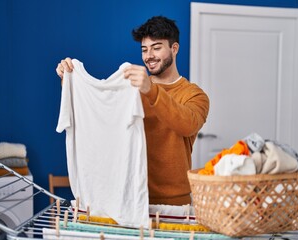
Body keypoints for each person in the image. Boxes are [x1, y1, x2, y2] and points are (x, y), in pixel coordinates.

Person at [56, 16, 209, 206]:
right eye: (144, 49)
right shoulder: (131, 86)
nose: (149, 56)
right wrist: (71, 83)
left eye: (156, 47)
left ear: (174, 48)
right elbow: (101, 111)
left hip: (175, 202)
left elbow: (187, 124)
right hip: (131, 197)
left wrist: (151, 90)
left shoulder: (194, 95)